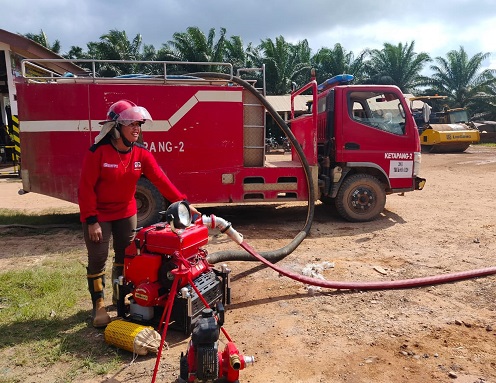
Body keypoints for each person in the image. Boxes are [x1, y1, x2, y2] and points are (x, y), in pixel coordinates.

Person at [78, 99, 199, 328]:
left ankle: (118, 295)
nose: (136, 128)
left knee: (126, 257)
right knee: (98, 258)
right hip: (99, 215)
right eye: (131, 124)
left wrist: (183, 203)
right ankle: (99, 305)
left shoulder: (141, 154)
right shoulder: (97, 153)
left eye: (139, 124)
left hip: (126, 212)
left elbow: (161, 180)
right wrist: (91, 220)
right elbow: (85, 189)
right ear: (115, 127)